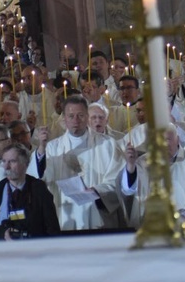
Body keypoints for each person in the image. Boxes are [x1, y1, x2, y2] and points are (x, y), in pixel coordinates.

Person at [28, 95, 124, 230]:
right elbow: (36, 179)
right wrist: (41, 149)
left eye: (80, 116)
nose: (76, 121)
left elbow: (119, 179)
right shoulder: (52, 148)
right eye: (71, 116)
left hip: (98, 216)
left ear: (87, 117)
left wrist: (96, 192)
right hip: (64, 217)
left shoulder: (108, 145)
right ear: (64, 119)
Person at [120, 124, 185, 226]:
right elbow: (128, 190)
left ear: (177, 140)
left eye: (167, 139)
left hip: (183, 225)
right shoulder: (142, 162)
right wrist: (130, 165)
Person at [0, 143, 60, 240]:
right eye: (4, 161)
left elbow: (52, 229)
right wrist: (2, 233)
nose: (6, 167)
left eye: (12, 161)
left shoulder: (39, 189)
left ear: (25, 164)